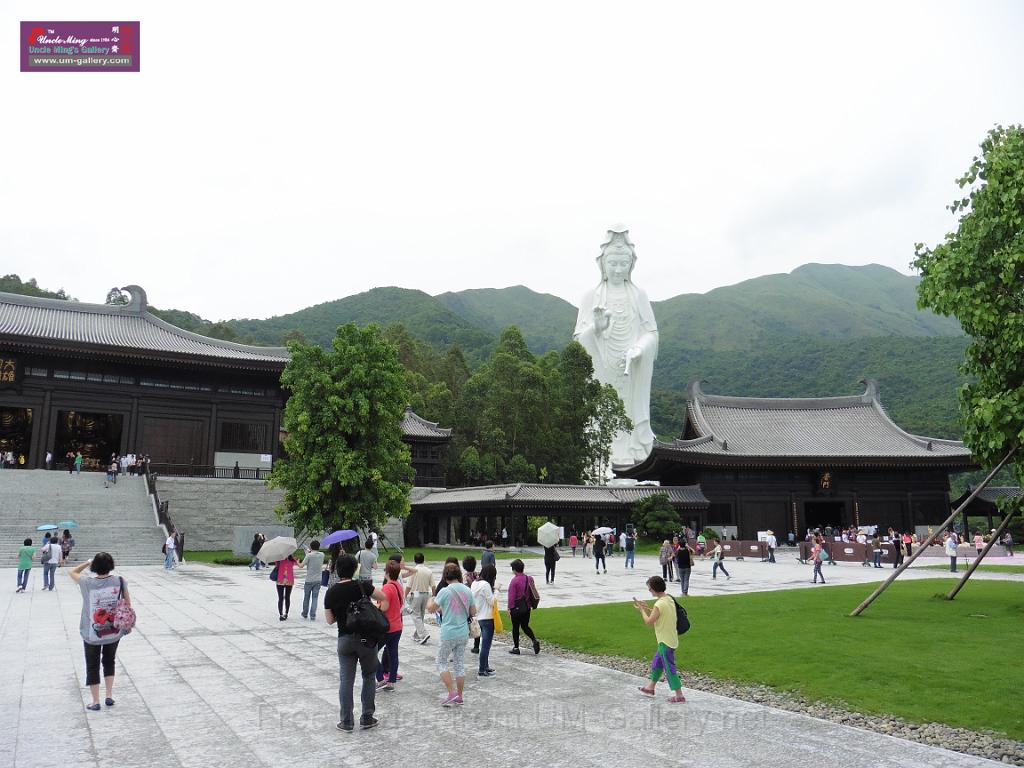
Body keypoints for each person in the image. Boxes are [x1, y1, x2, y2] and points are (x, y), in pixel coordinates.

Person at [572, 227, 658, 465]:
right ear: (602, 264)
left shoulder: (638, 294)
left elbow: (651, 333)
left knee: (628, 413)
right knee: (602, 413)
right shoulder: (591, 296)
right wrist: (595, 329)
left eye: (624, 263)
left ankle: (634, 457)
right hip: (602, 369)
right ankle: (599, 460)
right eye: (613, 263)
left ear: (631, 265)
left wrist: (639, 349)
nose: (619, 269)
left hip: (631, 369)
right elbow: (578, 342)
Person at [324, 553, 388, 731]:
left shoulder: (331, 592)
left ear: (337, 570)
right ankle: (367, 716)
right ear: (354, 569)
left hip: (344, 639)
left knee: (346, 680)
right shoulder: (362, 586)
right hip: (367, 640)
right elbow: (382, 596)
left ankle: (346, 721)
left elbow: (329, 620)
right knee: (368, 676)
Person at [70, 553, 130, 710]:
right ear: (111, 565)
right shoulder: (120, 581)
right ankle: (109, 695)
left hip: (91, 634)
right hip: (113, 632)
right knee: (109, 661)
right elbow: (127, 604)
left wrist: (87, 562)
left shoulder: (87, 582)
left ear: (94, 567)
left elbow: (72, 572)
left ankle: (95, 701)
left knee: (92, 665)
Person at [426, 562, 475, 706]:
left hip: (448, 632)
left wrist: (431, 599)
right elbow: (473, 612)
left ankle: (451, 692)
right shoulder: (467, 590)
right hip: (463, 632)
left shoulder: (445, 591)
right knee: (459, 663)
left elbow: (431, 609)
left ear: (445, 577)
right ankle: (459, 696)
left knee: (441, 661)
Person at [634, 576, 686, 703]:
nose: (649, 590)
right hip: (671, 639)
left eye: (650, 588)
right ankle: (650, 687)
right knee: (657, 663)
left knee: (669, 668)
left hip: (665, 641)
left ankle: (679, 695)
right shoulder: (668, 599)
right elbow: (662, 614)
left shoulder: (659, 604)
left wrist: (642, 610)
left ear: (654, 589)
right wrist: (647, 608)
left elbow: (649, 622)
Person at [374, 559, 405, 692]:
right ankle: (391, 681)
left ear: (386, 572)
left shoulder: (387, 587)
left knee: (371, 652)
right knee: (393, 654)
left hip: (387, 627)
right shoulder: (398, 585)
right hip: (398, 625)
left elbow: (384, 607)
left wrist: (376, 606)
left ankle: (380, 678)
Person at [506, 558, 540, 655]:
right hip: (527, 607)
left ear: (515, 569)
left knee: (515, 628)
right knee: (525, 626)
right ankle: (534, 640)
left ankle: (516, 648)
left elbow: (511, 597)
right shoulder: (529, 578)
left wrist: (509, 608)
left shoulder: (514, 581)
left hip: (516, 608)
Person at [472, 563, 498, 677]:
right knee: (486, 646)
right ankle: (482, 669)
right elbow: (492, 601)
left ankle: (486, 666)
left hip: (477, 617)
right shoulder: (486, 585)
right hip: (487, 618)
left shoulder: (474, 583)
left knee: (484, 645)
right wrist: (497, 590)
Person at [406, 552, 434, 644]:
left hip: (416, 594)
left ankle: (423, 634)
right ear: (423, 559)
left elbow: (409, 586)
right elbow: (433, 586)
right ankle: (417, 635)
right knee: (420, 615)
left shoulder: (414, 570)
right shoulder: (429, 571)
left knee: (415, 614)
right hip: (426, 594)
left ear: (414, 560)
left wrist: (404, 595)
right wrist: (434, 596)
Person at [300, 540, 325, 620]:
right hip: (318, 579)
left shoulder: (309, 555)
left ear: (311, 547)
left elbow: (301, 565)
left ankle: (305, 613)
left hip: (309, 579)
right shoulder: (322, 554)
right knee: (315, 597)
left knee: (306, 597)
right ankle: (313, 614)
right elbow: (314, 555)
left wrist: (297, 562)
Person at [274, 553, 297, 620]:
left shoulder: (280, 560)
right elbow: (296, 563)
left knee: (285, 598)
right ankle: (282, 614)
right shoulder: (290, 560)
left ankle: (284, 614)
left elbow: (297, 563)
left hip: (285, 580)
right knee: (283, 598)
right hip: (284, 580)